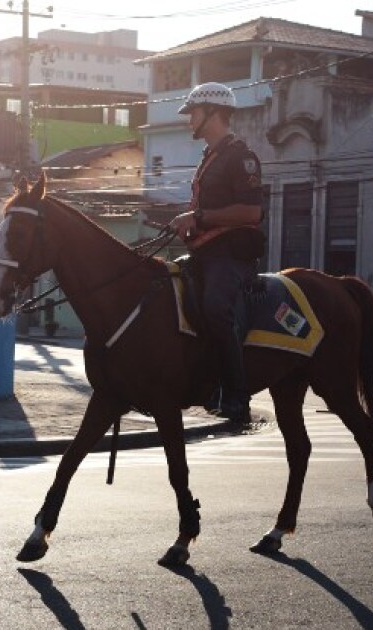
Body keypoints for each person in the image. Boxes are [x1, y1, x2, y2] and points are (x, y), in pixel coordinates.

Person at [166, 82, 265, 424]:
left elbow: (252, 213)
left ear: (213, 112)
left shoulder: (241, 157)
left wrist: (200, 217)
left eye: (193, 113)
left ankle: (237, 396)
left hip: (232, 257)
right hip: (204, 254)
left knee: (215, 308)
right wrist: (187, 222)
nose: (189, 120)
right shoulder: (210, 157)